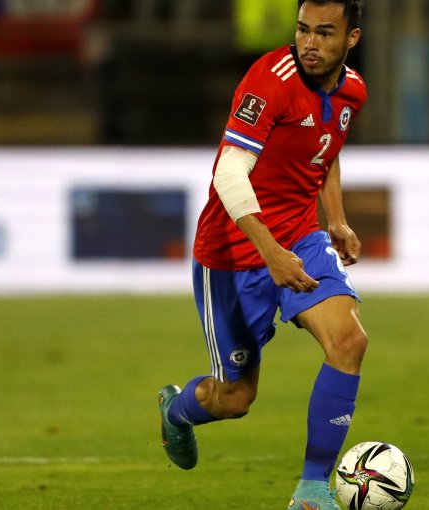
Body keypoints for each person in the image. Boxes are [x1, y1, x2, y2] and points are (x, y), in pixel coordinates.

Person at [157, 1, 367, 509]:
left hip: (298, 235)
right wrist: (270, 253)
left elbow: (327, 147)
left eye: (324, 33)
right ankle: (177, 413)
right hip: (232, 252)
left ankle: (313, 491)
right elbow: (229, 175)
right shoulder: (267, 80)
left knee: (349, 342)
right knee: (235, 399)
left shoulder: (352, 90)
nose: (310, 44)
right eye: (302, 30)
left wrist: (333, 218)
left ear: (351, 39)